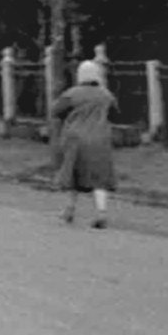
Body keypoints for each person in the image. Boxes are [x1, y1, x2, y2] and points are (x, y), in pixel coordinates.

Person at [51, 59, 118, 227]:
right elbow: (115, 112)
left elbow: (56, 111)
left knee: (73, 175)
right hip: (100, 139)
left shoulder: (72, 94)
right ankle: (101, 213)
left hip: (75, 139)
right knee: (100, 177)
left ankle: (69, 210)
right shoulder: (106, 95)